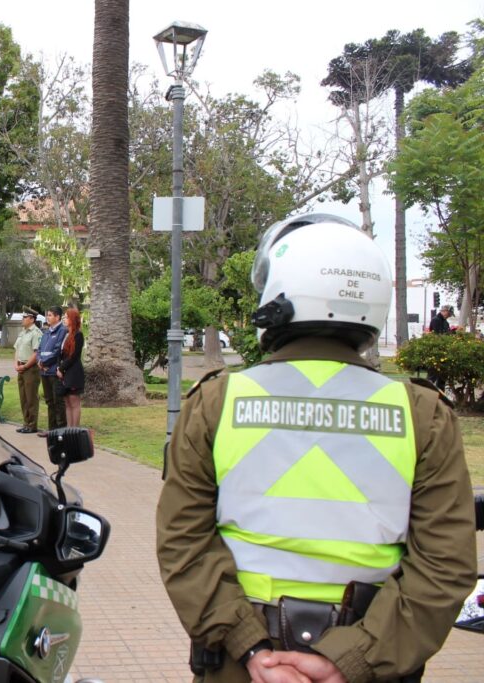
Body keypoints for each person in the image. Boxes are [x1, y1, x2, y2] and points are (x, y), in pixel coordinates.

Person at [156, 214, 476, 683]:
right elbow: (445, 567)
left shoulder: (217, 402)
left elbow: (183, 543)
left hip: (238, 664)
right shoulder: (421, 414)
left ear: (279, 297)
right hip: (373, 664)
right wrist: (349, 659)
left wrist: (251, 648)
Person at [37, 306, 67, 437]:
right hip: (44, 372)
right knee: (49, 401)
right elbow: (39, 350)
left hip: (55, 372)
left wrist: (45, 362)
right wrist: (39, 361)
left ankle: (61, 431)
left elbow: (57, 351)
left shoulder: (63, 331)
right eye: (47, 315)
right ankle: (52, 430)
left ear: (57, 317)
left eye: (50, 315)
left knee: (58, 402)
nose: (47, 317)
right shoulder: (46, 332)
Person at [14, 307, 43, 433]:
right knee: (23, 397)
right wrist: (16, 364)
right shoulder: (23, 332)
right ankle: (26, 423)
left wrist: (25, 366)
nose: (23, 319)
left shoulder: (36, 333)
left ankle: (32, 425)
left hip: (30, 369)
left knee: (31, 398)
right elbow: (17, 349)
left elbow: (36, 354)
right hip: (21, 367)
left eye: (25, 317)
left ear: (32, 319)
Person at [57, 308, 84, 427]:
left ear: (72, 319)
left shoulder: (78, 335)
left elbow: (74, 356)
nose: (64, 319)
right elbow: (61, 353)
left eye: (67, 317)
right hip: (65, 372)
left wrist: (61, 368)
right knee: (67, 402)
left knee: (74, 401)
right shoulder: (66, 334)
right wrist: (59, 368)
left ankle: (75, 429)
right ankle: (69, 428)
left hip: (74, 373)